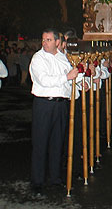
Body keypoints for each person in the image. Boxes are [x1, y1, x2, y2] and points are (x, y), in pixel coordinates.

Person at [28, 29, 79, 195]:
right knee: (40, 142)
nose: (45, 43)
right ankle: (37, 180)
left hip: (60, 104)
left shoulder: (63, 58)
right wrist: (67, 78)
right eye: (43, 39)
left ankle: (55, 177)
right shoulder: (38, 58)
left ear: (58, 42)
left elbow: (70, 81)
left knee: (58, 142)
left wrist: (77, 88)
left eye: (48, 40)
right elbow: (44, 80)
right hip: (44, 104)